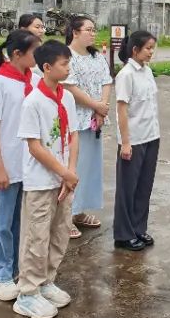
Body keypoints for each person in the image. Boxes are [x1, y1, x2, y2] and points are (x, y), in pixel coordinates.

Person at [13, 40, 79, 318]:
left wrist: (70, 173)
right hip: (41, 181)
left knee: (59, 232)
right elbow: (35, 146)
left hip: (65, 180)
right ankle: (27, 292)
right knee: (36, 237)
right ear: (48, 67)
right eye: (64, 64)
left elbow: (73, 135)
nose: (68, 68)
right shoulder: (33, 101)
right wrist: (63, 172)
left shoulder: (67, 97)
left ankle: (46, 281)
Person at [0, 30, 40, 301]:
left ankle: (13, 267)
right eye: (34, 50)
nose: (38, 56)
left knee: (19, 221)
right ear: (17, 54)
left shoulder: (34, 81)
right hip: (5, 164)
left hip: (27, 163)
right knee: (0, 222)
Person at [63, 15, 111, 238]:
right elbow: (70, 87)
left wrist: (102, 107)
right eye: (89, 30)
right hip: (75, 118)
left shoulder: (97, 56)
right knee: (75, 166)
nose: (93, 33)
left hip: (96, 118)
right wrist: (97, 106)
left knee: (91, 168)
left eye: (94, 30)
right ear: (75, 32)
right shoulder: (66, 56)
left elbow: (106, 81)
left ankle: (80, 211)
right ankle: (67, 215)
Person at [113, 31, 160, 252]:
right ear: (135, 50)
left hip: (151, 136)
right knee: (127, 189)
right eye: (148, 48)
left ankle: (138, 228)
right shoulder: (126, 75)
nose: (151, 52)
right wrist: (125, 142)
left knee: (144, 187)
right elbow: (121, 110)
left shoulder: (147, 71)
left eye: (153, 48)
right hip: (134, 139)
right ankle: (123, 234)